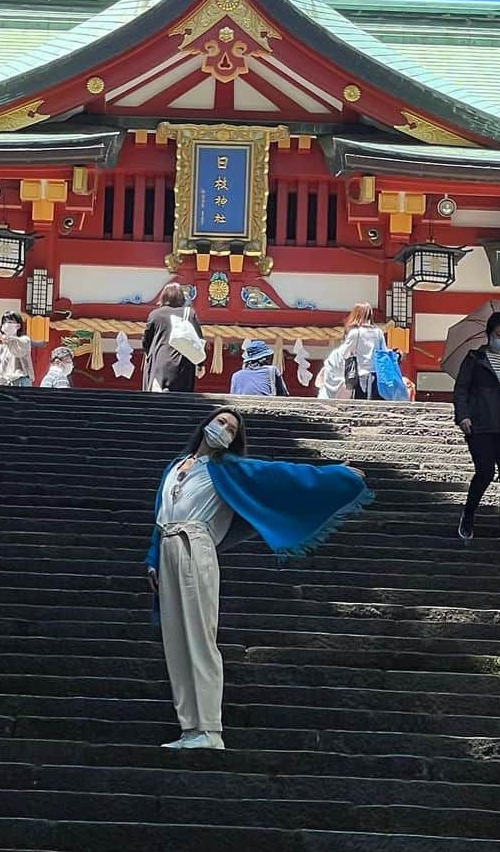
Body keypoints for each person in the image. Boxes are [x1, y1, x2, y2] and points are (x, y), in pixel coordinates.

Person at [145, 406, 372, 750]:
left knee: (199, 636)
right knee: (175, 640)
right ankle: (189, 728)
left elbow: (281, 476)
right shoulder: (176, 466)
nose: (222, 428)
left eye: (231, 429)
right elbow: (160, 515)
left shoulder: (227, 468)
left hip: (196, 546)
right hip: (167, 549)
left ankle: (209, 729)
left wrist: (335, 475)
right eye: (220, 421)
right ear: (206, 423)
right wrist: (151, 560)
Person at [454, 311, 500, 541]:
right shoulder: (474, 359)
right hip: (480, 424)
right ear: (488, 334)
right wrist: (463, 415)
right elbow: (461, 389)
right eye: (498, 334)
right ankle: (469, 513)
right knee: (485, 471)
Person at [142, 284, 204, 394]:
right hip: (183, 363)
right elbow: (198, 341)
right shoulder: (189, 314)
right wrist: (200, 365)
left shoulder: (155, 315)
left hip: (160, 363)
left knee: (157, 399)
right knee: (181, 400)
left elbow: (146, 342)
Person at [340, 302, 388, 400]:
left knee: (360, 402)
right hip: (377, 375)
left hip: (360, 374)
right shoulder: (378, 332)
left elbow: (343, 353)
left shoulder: (355, 332)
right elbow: (384, 352)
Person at [0, 310, 33, 387]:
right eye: (4, 322)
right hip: (5, 382)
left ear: (18, 326)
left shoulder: (24, 340)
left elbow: (18, 352)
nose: (6, 324)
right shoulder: (1, 346)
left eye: (10, 322)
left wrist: (4, 337)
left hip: (20, 380)